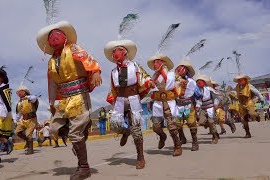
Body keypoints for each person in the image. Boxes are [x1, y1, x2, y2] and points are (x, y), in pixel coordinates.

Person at [37, 20, 102, 179]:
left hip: (79, 95)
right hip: (64, 99)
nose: (54, 37)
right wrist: (52, 103)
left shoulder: (73, 48)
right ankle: (79, 135)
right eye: (51, 36)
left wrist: (95, 71)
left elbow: (88, 59)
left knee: (75, 132)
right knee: (54, 128)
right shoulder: (52, 60)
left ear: (65, 37)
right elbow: (52, 82)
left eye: (57, 34)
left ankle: (84, 167)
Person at [105, 38, 153, 169]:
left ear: (125, 52)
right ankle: (125, 132)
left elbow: (145, 77)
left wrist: (149, 82)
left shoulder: (135, 66)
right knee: (114, 125)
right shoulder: (113, 72)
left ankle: (140, 157)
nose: (116, 52)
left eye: (119, 50)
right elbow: (113, 88)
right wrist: (112, 100)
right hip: (120, 100)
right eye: (114, 51)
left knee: (136, 129)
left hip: (133, 99)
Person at [147, 54, 182, 156]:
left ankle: (177, 146)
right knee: (156, 127)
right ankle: (162, 136)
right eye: (154, 63)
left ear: (163, 63)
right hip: (157, 103)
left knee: (172, 126)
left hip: (169, 102)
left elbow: (180, 82)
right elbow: (151, 91)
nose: (155, 64)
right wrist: (150, 100)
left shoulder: (172, 75)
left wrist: (181, 84)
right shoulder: (153, 77)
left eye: (157, 62)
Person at [174, 57, 200, 151]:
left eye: (182, 68)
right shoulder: (175, 81)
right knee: (177, 123)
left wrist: (197, 105)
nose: (179, 70)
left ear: (186, 70)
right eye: (179, 68)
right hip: (178, 104)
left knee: (191, 123)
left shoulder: (192, 82)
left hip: (189, 104)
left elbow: (198, 95)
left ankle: (195, 141)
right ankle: (182, 138)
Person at [14, 85, 39, 155]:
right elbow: (18, 113)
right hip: (23, 120)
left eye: (21, 92)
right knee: (17, 132)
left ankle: (31, 149)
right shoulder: (19, 103)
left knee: (28, 134)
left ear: (25, 92)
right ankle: (28, 142)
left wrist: (27, 97)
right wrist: (16, 120)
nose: (19, 93)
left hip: (32, 119)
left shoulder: (30, 98)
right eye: (18, 92)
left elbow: (35, 98)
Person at [196, 74, 220, 144]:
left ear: (204, 82)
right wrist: (197, 106)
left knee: (211, 122)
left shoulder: (209, 89)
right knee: (201, 122)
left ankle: (215, 136)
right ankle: (207, 124)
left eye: (200, 81)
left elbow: (216, 97)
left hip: (210, 108)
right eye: (197, 82)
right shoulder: (197, 90)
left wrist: (215, 104)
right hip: (203, 109)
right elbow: (198, 100)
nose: (198, 83)